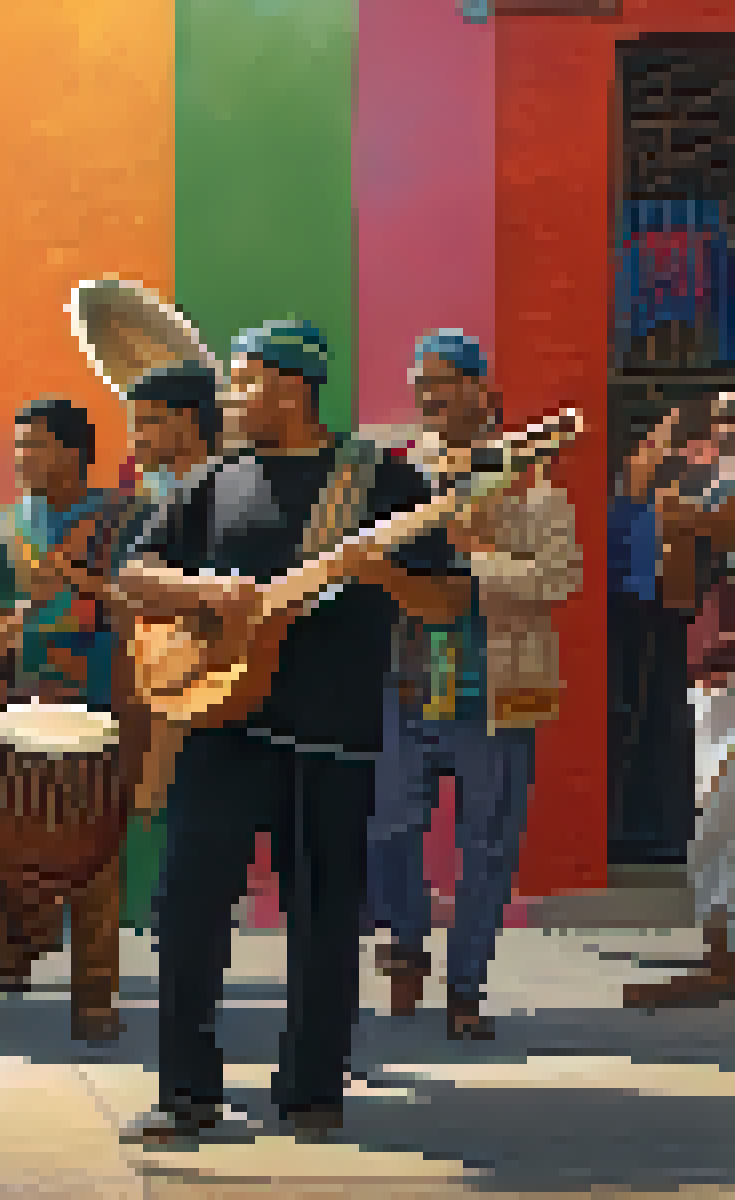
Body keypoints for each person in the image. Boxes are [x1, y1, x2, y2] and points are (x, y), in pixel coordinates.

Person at [108, 320, 468, 1145]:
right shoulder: (213, 481)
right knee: (189, 908)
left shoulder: (381, 481)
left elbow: (450, 598)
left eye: (244, 381)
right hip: (221, 723)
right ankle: (185, 1094)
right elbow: (135, 575)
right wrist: (206, 592)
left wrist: (379, 572)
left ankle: (311, 1092)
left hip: (333, 734)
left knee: (325, 916)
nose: (232, 397)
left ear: (293, 386)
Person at [366, 331, 580, 1039]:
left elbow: (560, 578)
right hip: (407, 682)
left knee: (487, 847)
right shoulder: (399, 472)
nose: (429, 393)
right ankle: (404, 947)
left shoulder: (530, 474)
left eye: (445, 380)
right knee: (389, 828)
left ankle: (465, 990)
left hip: (498, 688)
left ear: (482, 390)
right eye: (420, 380)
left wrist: (473, 561)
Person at [0, 396, 147, 1042]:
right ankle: (15, 945)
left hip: (99, 705)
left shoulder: (124, 519)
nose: (21, 458)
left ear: (73, 452)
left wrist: (87, 596)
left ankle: (94, 996)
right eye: (18, 445)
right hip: (19, 702)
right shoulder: (12, 524)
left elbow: (148, 602)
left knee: (96, 849)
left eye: (35, 445)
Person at [628, 393, 735, 1009]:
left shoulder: (711, 500)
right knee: (713, 818)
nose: (725, 430)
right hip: (715, 669)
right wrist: (672, 528)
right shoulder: (707, 496)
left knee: (720, 813)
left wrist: (673, 506)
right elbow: (676, 595)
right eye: (719, 420)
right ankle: (720, 958)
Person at [114, 363, 223, 932]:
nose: (136, 442)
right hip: (169, 681)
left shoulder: (220, 491)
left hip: (208, 686)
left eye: (147, 425)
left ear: (185, 422)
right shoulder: (168, 492)